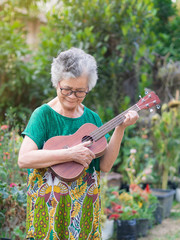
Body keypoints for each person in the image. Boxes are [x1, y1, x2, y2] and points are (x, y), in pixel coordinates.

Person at [18, 47, 139, 240]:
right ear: (57, 83)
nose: (72, 97)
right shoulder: (43, 115)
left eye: (80, 91)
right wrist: (69, 154)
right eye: (67, 89)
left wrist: (121, 128)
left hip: (84, 212)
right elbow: (24, 159)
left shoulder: (92, 119)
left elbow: (105, 165)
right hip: (49, 213)